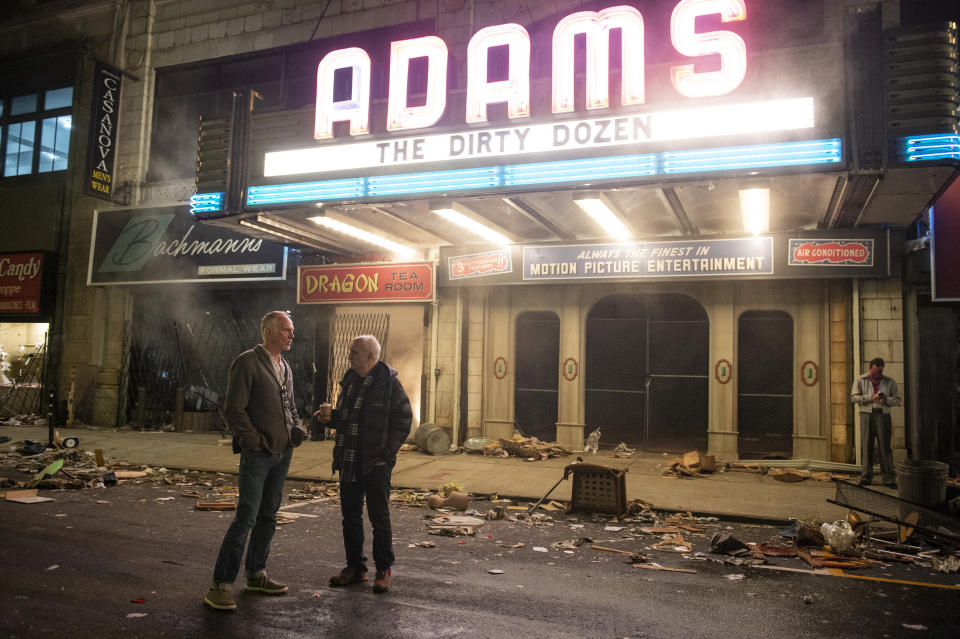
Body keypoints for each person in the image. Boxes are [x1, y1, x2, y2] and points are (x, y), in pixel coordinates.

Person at [204, 311, 308, 610]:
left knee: (268, 516)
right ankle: (220, 585)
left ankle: (256, 575)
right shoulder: (247, 362)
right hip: (259, 454)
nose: (291, 335)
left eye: (292, 330)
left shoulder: (284, 366)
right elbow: (234, 409)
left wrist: (296, 428)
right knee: (246, 517)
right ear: (269, 332)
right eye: (286, 330)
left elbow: (289, 404)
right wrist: (254, 441)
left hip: (282, 452)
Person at [316, 335, 412, 593]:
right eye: (350, 352)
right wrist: (330, 419)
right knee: (350, 517)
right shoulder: (349, 380)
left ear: (371, 356)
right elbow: (348, 420)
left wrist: (386, 455)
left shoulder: (389, 383)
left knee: (379, 517)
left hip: (375, 463)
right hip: (349, 459)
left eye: (354, 353)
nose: (349, 357)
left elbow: (404, 421)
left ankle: (383, 568)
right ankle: (356, 567)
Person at [850, 357, 902, 489]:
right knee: (867, 446)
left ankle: (889, 479)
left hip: (883, 415)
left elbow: (897, 400)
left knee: (885, 447)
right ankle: (866, 477)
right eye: (876, 372)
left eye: (880, 372)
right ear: (870, 368)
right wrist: (870, 398)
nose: (878, 375)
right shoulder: (860, 380)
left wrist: (886, 400)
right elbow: (853, 397)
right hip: (866, 415)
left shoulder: (889, 381)